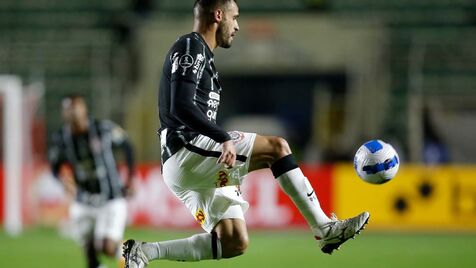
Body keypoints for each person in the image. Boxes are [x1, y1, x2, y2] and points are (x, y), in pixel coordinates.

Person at [123, 1, 370, 267]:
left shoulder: (204, 56)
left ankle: (145, 252)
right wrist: (222, 138)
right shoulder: (191, 47)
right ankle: (325, 229)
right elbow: (180, 106)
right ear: (218, 15)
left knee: (234, 241)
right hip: (185, 149)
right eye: (235, 17)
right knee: (277, 148)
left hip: (188, 163)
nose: (237, 26)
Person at [48, 94, 135, 268]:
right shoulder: (61, 139)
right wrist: (64, 180)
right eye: (68, 110)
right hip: (83, 200)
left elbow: (127, 146)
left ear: (84, 109)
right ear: (63, 114)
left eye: (75, 108)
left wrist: (131, 179)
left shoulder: (103, 129)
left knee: (107, 247)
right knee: (89, 250)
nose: (72, 113)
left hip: (110, 197)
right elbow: (55, 166)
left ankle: (130, 255)